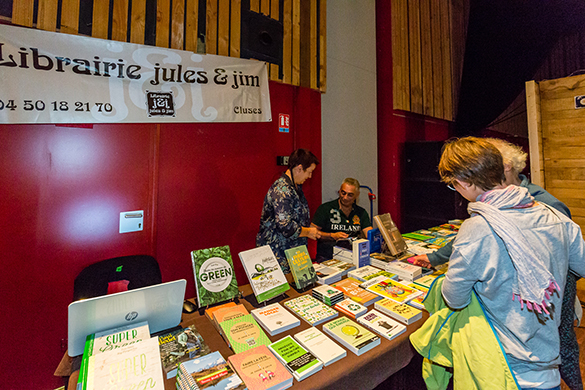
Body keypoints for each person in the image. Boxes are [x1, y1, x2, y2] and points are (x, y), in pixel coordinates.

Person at [409, 137, 582, 390]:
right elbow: (578, 266)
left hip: (501, 368)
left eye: (454, 186)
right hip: (547, 365)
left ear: (465, 183)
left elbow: (455, 298)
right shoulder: (554, 215)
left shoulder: (477, 228)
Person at [256, 149, 321, 274]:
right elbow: (285, 226)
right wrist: (308, 232)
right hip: (277, 255)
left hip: (292, 252)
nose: (310, 176)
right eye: (309, 172)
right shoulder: (282, 190)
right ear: (299, 168)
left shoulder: (295, 187)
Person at [311, 178, 373, 262]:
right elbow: (312, 232)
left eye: (350, 195)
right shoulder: (325, 209)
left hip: (352, 257)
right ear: (339, 191)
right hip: (327, 257)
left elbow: (369, 234)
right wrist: (332, 236)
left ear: (357, 195)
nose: (345, 197)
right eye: (343, 193)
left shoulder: (361, 212)